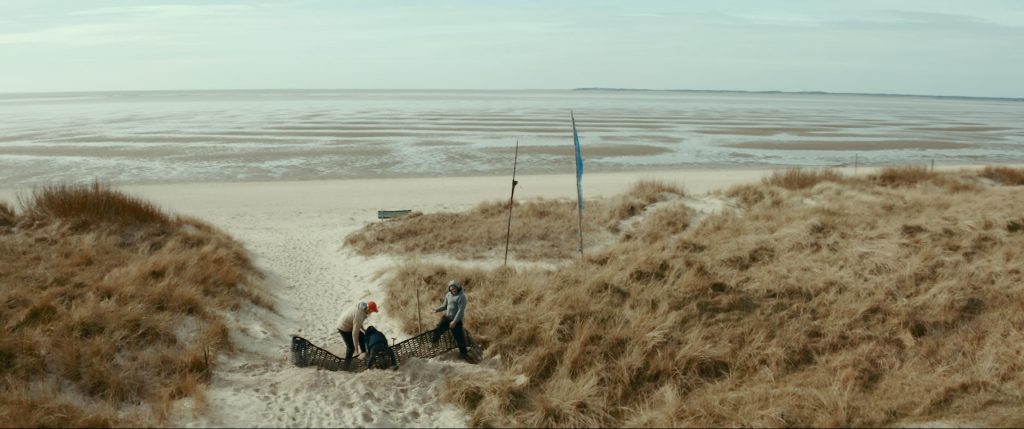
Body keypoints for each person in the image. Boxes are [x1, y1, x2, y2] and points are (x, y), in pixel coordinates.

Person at [431, 279, 469, 360]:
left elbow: (460, 311)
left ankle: (463, 353)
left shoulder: (461, 297)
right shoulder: (448, 295)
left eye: (454, 288)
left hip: (456, 321)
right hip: (447, 318)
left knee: (459, 337)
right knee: (437, 330)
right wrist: (436, 310)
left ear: (457, 287)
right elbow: (444, 305)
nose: (453, 290)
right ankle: (433, 346)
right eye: (451, 289)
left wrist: (454, 321)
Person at [336, 300, 378, 367]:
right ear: (368, 309)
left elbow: (357, 321)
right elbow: (355, 333)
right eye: (371, 311)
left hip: (348, 324)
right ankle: (346, 366)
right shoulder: (360, 314)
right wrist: (356, 349)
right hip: (343, 327)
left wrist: (363, 329)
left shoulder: (363, 306)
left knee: (362, 336)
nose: (371, 313)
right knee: (351, 347)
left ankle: (364, 353)